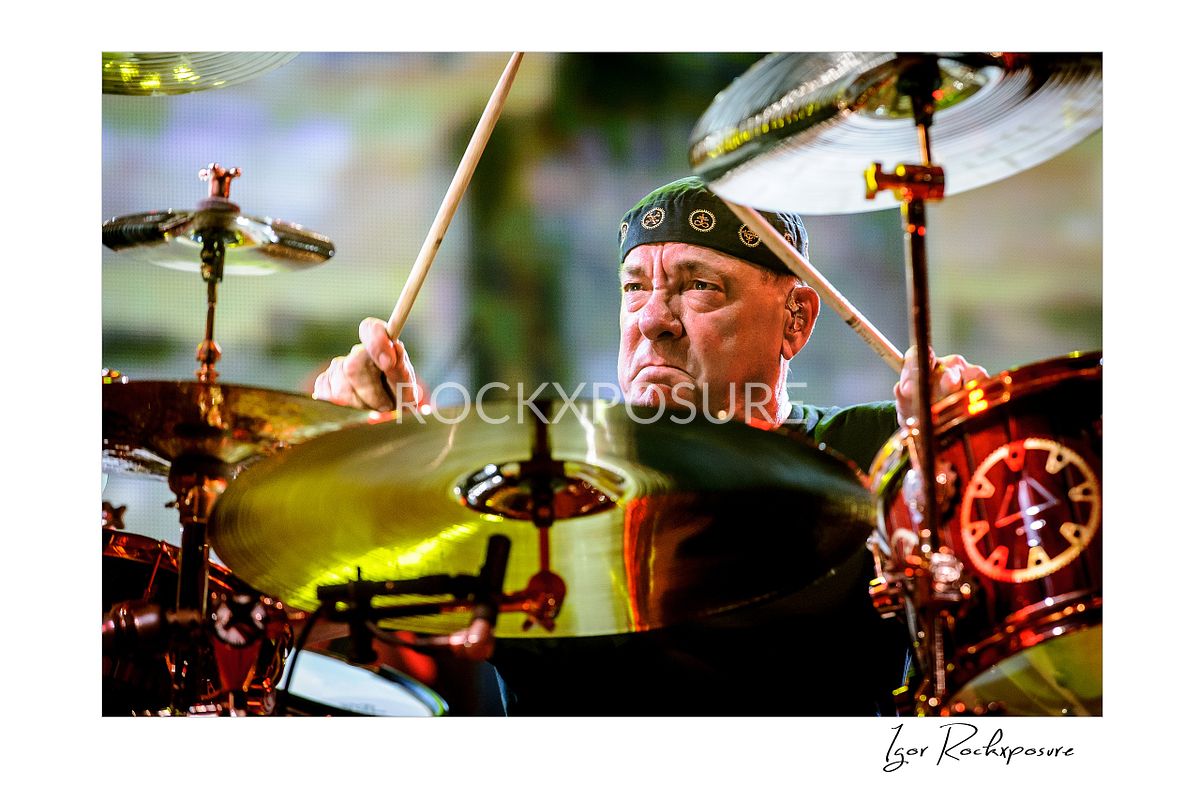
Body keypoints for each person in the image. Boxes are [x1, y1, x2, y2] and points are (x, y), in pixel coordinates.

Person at [312, 176, 987, 715]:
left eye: (699, 287)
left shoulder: (878, 449)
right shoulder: (541, 483)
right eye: (634, 288)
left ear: (796, 320)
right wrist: (395, 451)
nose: (653, 321)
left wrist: (964, 448)